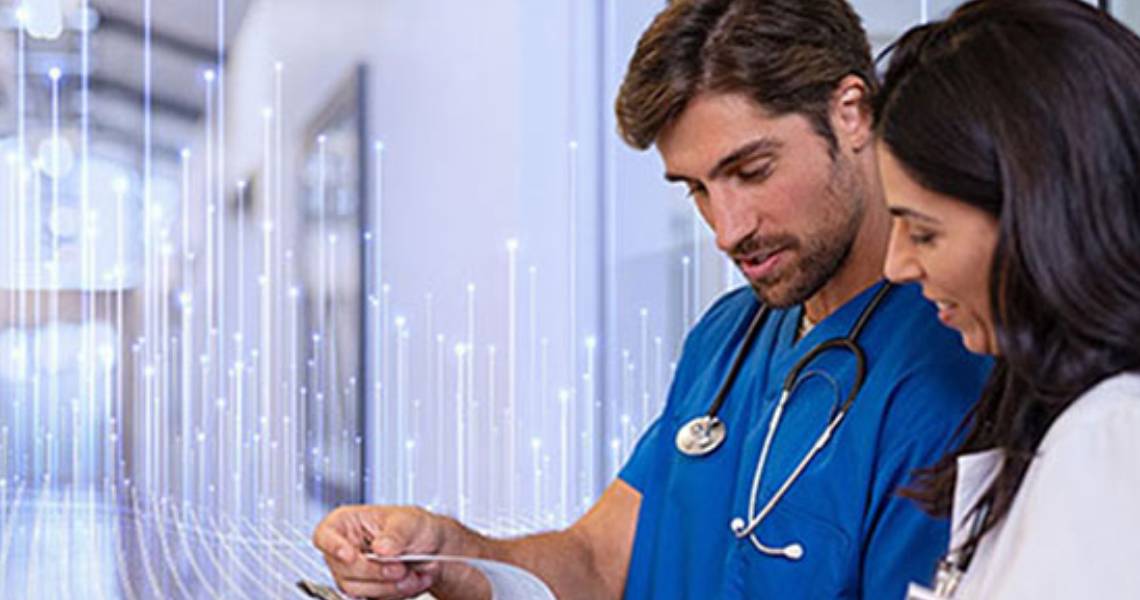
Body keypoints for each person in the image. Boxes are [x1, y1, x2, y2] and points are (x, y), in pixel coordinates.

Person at [312, 2, 991, 598]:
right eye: (694, 188)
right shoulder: (729, 337)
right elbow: (598, 563)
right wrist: (447, 554)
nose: (728, 230)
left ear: (851, 113)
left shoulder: (955, 360)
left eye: (751, 171)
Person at [876, 0, 1140, 598]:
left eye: (924, 232)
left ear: (1043, 219)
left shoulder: (1112, 439)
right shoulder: (1062, 429)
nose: (896, 265)